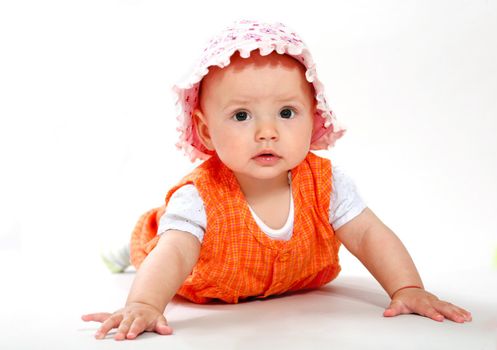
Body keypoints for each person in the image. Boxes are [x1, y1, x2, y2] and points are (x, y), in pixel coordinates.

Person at [82, 20, 472, 341]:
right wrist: (146, 305)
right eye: (241, 116)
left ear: (313, 117)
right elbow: (177, 254)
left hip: (295, 280)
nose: (267, 132)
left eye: (286, 112)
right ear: (205, 131)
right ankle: (125, 256)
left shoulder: (328, 185)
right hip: (200, 279)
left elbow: (370, 235)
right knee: (152, 249)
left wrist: (407, 288)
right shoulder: (199, 198)